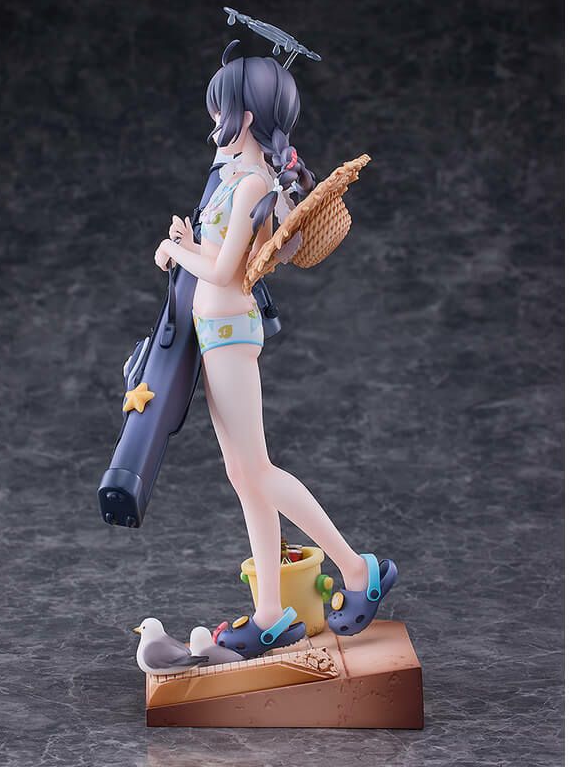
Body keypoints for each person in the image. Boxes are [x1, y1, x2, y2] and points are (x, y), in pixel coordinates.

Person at [154, 41, 397, 658]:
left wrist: (176, 251)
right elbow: (223, 258)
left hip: (232, 332)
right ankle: (270, 613)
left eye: (221, 110)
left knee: (257, 470)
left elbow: (227, 271)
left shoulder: (252, 184)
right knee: (243, 475)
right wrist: (189, 242)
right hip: (215, 333)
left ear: (246, 116)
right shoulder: (233, 180)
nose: (214, 120)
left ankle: (358, 568)